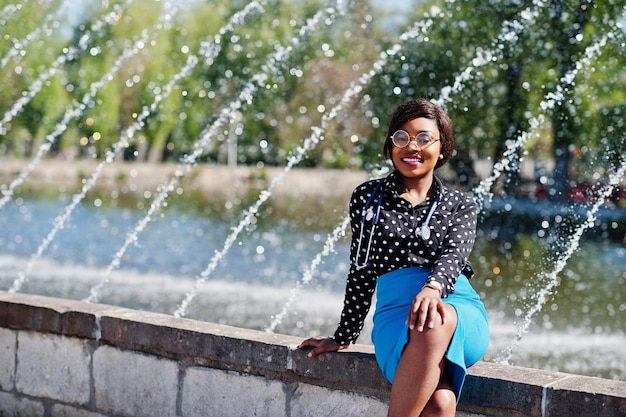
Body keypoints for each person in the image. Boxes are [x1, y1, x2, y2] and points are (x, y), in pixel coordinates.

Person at [299, 98, 489, 417]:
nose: (411, 146)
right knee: (439, 406)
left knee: (434, 318)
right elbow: (360, 271)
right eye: (401, 137)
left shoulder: (461, 204)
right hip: (396, 317)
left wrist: (432, 289)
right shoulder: (368, 198)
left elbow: (455, 256)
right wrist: (344, 335)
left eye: (424, 138)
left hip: (456, 308)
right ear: (390, 146)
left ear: (443, 149)